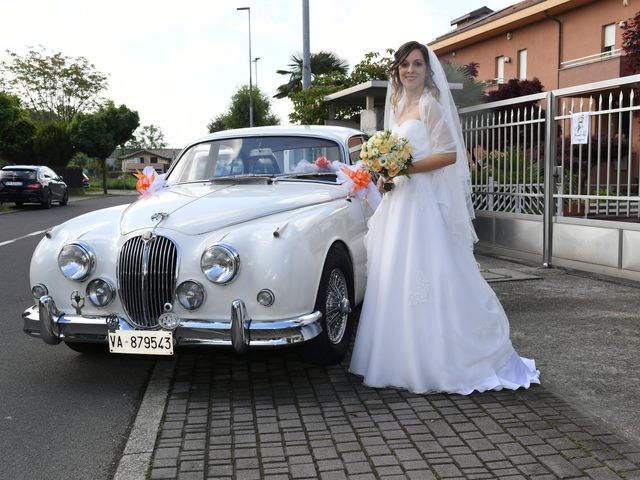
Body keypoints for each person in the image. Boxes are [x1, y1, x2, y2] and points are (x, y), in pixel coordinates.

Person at [349, 41, 540, 395]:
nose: (410, 70)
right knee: (396, 276)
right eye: (405, 64)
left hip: (422, 206)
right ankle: (400, 358)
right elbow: (393, 154)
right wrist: (382, 173)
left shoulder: (429, 105)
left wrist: (404, 167)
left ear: (427, 69)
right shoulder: (399, 105)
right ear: (397, 70)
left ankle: (442, 359)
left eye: (417, 64)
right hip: (400, 204)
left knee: (430, 276)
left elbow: (450, 155)